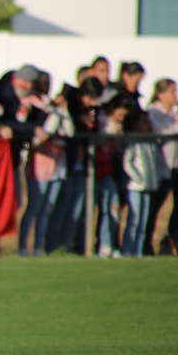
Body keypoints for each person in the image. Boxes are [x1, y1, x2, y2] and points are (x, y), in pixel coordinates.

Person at [46, 77, 104, 255]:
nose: (92, 103)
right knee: (61, 208)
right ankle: (52, 245)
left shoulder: (92, 109)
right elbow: (67, 130)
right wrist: (80, 121)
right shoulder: (69, 101)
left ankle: (66, 244)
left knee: (77, 209)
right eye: (90, 98)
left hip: (82, 165)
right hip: (67, 163)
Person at [18, 78, 74, 256]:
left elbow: (69, 132)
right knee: (34, 207)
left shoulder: (55, 110)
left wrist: (62, 111)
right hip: (39, 168)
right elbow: (39, 136)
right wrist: (54, 115)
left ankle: (38, 247)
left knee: (47, 210)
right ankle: (22, 247)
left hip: (57, 166)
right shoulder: (36, 108)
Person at [120, 111, 169, 257]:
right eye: (144, 122)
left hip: (149, 186)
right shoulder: (132, 140)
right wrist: (138, 178)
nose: (148, 125)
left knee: (143, 221)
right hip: (135, 186)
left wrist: (158, 178)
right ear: (135, 125)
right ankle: (128, 250)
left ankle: (138, 251)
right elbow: (127, 162)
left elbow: (157, 162)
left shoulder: (151, 140)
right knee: (134, 221)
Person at [147, 79, 178, 254]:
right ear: (160, 94)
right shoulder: (154, 112)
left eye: (176, 91)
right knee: (153, 209)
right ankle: (146, 245)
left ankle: (173, 244)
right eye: (171, 92)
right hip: (161, 167)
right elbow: (158, 134)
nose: (175, 95)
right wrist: (177, 126)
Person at [94, 94, 133, 258]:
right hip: (93, 172)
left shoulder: (117, 126)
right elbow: (94, 141)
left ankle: (107, 245)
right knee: (91, 211)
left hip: (107, 171)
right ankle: (93, 246)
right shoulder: (101, 120)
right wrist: (108, 132)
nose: (121, 119)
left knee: (112, 207)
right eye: (119, 115)